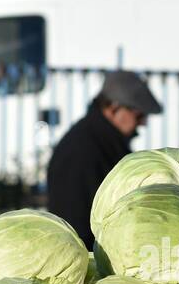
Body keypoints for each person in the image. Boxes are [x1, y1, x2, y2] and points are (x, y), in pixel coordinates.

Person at [46, 70, 162, 246]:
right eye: (139, 115)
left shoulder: (104, 141)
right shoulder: (83, 149)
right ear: (113, 108)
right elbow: (74, 222)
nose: (142, 123)